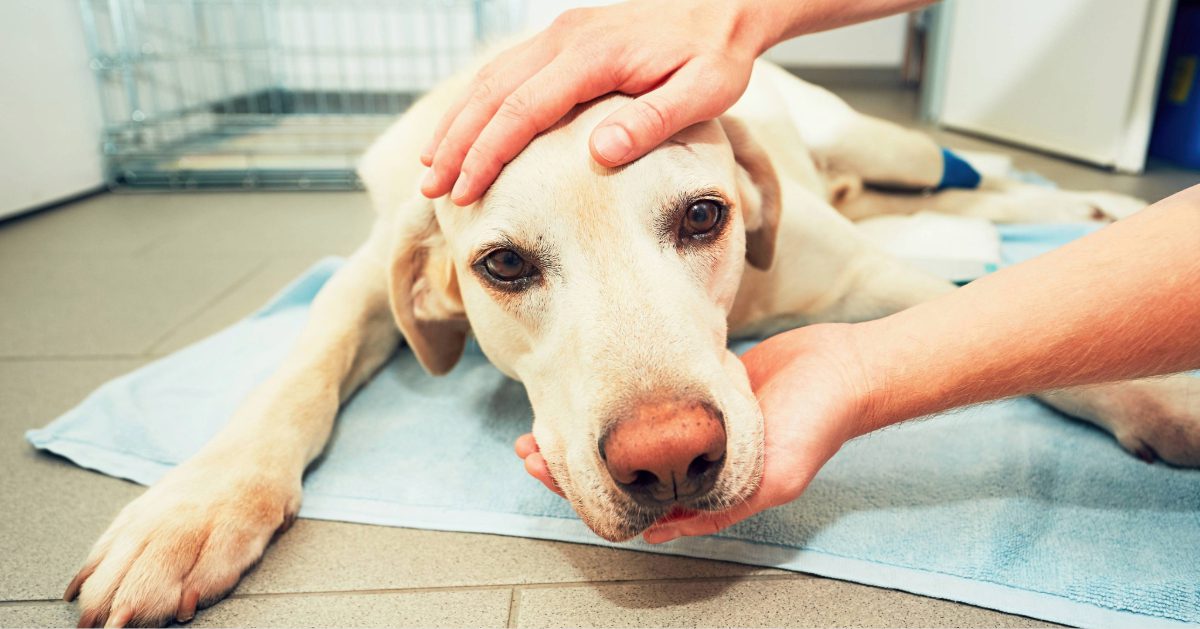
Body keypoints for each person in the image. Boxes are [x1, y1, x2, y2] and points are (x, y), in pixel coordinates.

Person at [421, 0, 1200, 543]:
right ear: (440, 285)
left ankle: (979, 184)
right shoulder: (430, 205)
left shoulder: (755, 165)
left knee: (907, 159)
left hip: (798, 133)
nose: (663, 443)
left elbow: (880, 278)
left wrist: (1113, 382)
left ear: (758, 204)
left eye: (697, 219)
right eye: (511, 264)